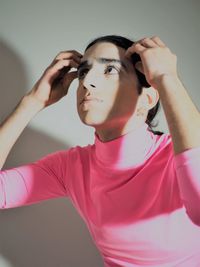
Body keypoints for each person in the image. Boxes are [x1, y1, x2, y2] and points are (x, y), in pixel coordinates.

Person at [0, 34, 200, 267]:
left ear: (147, 98)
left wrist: (167, 78)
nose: (87, 82)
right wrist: (32, 102)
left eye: (110, 70)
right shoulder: (71, 168)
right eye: (83, 72)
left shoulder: (175, 157)